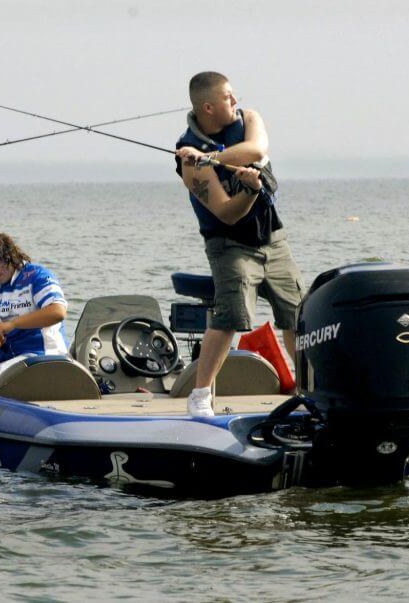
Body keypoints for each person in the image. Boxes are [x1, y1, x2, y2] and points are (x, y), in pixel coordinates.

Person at [174, 71, 304, 418]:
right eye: (228, 96)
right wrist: (249, 189)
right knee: (230, 316)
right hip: (230, 245)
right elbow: (227, 213)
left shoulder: (249, 119)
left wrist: (215, 159)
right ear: (208, 106)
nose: (235, 100)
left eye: (234, 94)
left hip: (273, 238)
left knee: (295, 314)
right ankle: (200, 394)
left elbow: (257, 149)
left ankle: (311, 388)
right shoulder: (188, 160)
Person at [0, 233, 69, 370]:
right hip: (4, 360)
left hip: (42, 357)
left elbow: (58, 312)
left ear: (7, 254)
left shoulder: (37, 275)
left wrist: (12, 324)